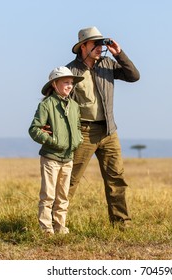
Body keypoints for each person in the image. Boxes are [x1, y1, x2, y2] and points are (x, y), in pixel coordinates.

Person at [66, 26, 140, 229]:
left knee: (116, 178)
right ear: (83, 46)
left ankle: (121, 224)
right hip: (83, 132)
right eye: (95, 44)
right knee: (70, 179)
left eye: (101, 43)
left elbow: (134, 76)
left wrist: (119, 53)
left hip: (109, 131)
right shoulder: (70, 71)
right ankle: (55, 223)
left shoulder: (108, 64)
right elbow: (61, 104)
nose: (100, 47)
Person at [29, 66, 84, 235]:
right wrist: (52, 141)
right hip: (51, 157)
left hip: (68, 157)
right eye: (66, 82)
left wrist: (78, 140)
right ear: (54, 84)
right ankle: (46, 229)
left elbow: (77, 127)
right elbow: (34, 129)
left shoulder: (74, 105)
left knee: (63, 196)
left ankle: (61, 227)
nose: (70, 86)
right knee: (48, 195)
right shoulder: (46, 105)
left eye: (71, 83)